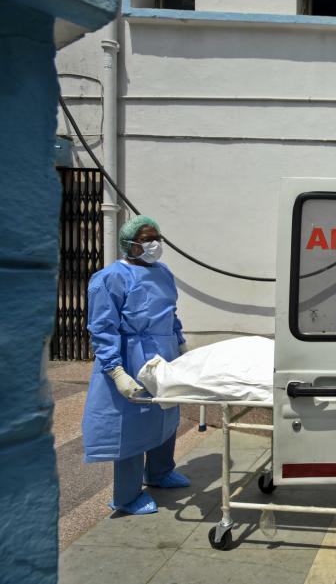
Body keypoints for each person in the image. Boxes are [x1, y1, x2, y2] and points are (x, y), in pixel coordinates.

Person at [81, 215, 190, 515]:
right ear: (129, 244)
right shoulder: (110, 278)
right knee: (132, 424)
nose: (154, 244)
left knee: (166, 414)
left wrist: (179, 342)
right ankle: (127, 496)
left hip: (163, 353)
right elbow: (102, 328)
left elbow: (170, 311)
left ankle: (159, 472)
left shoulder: (163, 272)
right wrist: (116, 371)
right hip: (131, 357)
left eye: (157, 238)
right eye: (146, 239)